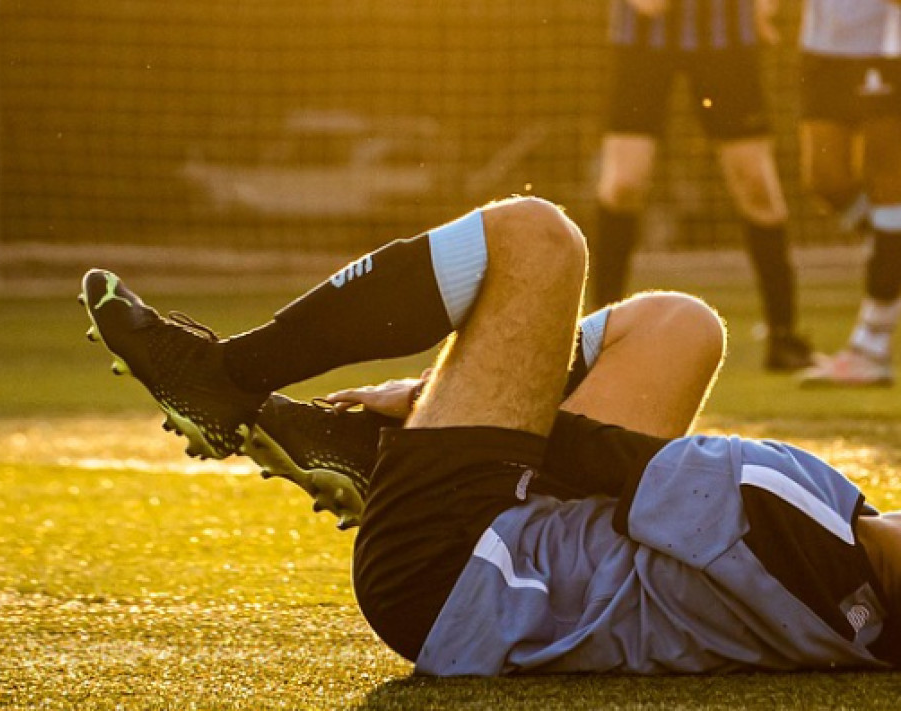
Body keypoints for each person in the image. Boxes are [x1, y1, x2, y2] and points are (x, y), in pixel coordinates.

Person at [79, 197, 901, 674]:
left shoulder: (801, 538)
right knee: (680, 326)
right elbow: (618, 481)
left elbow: (581, 450)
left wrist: (421, 398)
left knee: (536, 239)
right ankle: (363, 454)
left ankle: (231, 378)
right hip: (515, 556)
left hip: (447, 566)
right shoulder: (842, 579)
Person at [593, 0, 814, 371]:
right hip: (641, 43)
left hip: (726, 43)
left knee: (756, 184)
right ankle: (598, 339)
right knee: (623, 184)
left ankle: (783, 336)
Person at [795, 0, 901, 387]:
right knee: (824, 178)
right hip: (822, 46)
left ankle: (871, 346)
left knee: (889, 185)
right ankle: (891, 249)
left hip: (886, 45)